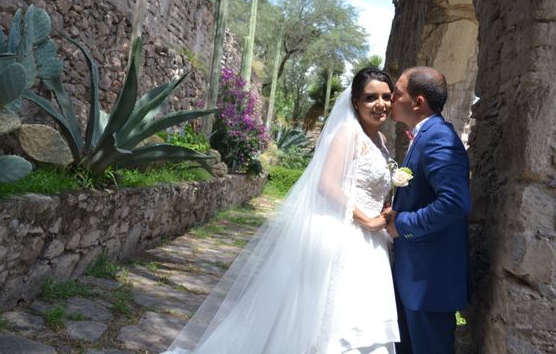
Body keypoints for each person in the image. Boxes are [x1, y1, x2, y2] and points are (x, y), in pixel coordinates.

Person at [163, 67, 400, 354]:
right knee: (335, 320)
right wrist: (368, 220)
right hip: (348, 234)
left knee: (364, 318)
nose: (381, 104)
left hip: (372, 243)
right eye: (370, 98)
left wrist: (385, 212)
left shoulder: (381, 142)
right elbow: (327, 184)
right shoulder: (348, 133)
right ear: (355, 102)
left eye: (386, 97)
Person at [385, 66, 471, 354]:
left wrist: (403, 223)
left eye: (396, 93)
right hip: (415, 277)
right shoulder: (423, 136)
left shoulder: (438, 137)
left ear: (418, 102)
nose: (390, 99)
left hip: (430, 283)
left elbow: (455, 202)